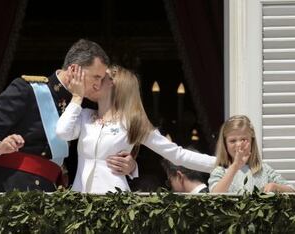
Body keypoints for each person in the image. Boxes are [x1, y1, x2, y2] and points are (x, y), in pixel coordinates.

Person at [0, 39, 137, 192]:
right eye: (96, 77)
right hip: (10, 190)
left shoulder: (84, 106)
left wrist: (130, 166)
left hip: (50, 193)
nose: (98, 85)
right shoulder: (28, 90)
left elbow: (99, 152)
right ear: (73, 69)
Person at [56, 65, 216, 193]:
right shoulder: (84, 115)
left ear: (113, 84)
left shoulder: (132, 122)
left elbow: (177, 154)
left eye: (100, 78)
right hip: (81, 201)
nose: (95, 82)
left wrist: (225, 164)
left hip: (114, 203)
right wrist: (77, 97)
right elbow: (63, 132)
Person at [208, 115, 294, 193]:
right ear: (225, 144)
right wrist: (235, 166)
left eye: (243, 140)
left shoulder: (263, 170)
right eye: (233, 141)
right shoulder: (220, 171)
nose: (239, 145)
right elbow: (215, 195)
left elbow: (291, 190)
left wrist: (275, 187)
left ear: (252, 141)